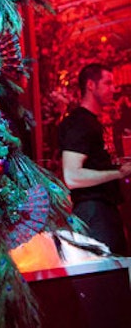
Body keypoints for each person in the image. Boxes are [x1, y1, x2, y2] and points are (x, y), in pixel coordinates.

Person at [59, 63, 131, 255]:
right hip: (93, 212)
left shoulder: (92, 123)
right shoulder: (79, 123)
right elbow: (73, 176)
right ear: (90, 85)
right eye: (107, 83)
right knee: (107, 277)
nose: (113, 89)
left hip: (103, 211)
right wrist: (117, 173)